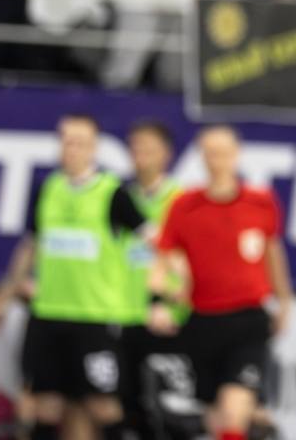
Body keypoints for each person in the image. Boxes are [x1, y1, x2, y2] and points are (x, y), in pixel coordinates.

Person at [0, 114, 148, 440]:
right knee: (45, 407)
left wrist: (164, 289)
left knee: (103, 407)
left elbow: (153, 241)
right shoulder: (48, 189)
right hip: (48, 314)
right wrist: (2, 298)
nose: (71, 149)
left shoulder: (112, 193)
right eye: (66, 141)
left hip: (94, 318)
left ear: (93, 148)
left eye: (79, 143)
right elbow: (30, 247)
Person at [149, 126, 293, 440]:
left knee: (234, 406)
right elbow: (162, 259)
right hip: (202, 319)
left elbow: (272, 254)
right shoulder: (184, 206)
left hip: (248, 318)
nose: (218, 161)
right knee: (216, 414)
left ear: (237, 154)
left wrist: (284, 301)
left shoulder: (260, 202)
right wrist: (159, 302)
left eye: (224, 153)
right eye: (211, 153)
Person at [116, 119, 183, 438]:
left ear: (166, 154)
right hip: (123, 315)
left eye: (149, 149)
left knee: (169, 411)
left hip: (166, 318)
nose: (140, 156)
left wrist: (168, 301)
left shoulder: (181, 200)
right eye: (135, 148)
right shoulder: (118, 197)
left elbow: (187, 258)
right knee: (126, 412)